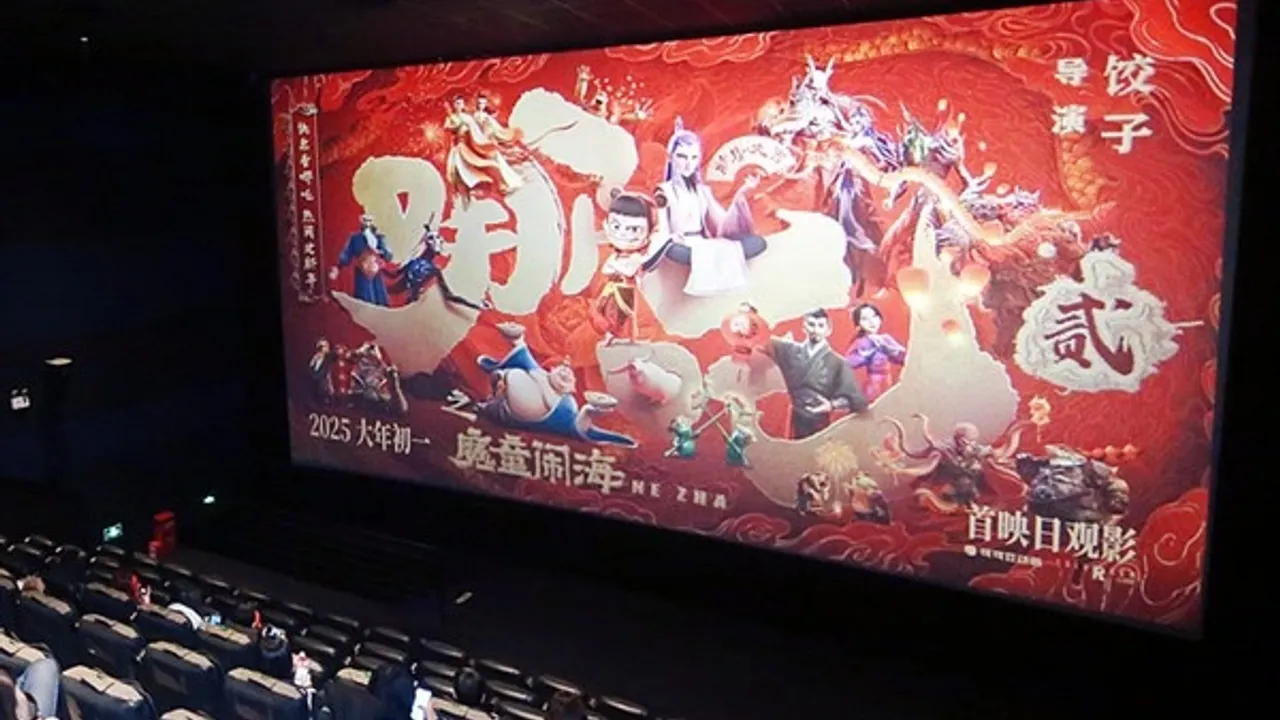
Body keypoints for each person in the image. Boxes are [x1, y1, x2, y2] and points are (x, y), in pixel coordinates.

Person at [761, 308, 867, 438]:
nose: (815, 330)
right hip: (791, 418)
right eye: (811, 324)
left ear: (828, 330)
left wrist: (832, 405)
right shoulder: (789, 350)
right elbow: (761, 340)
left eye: (821, 326)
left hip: (819, 422)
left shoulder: (838, 362)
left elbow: (858, 400)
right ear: (804, 327)